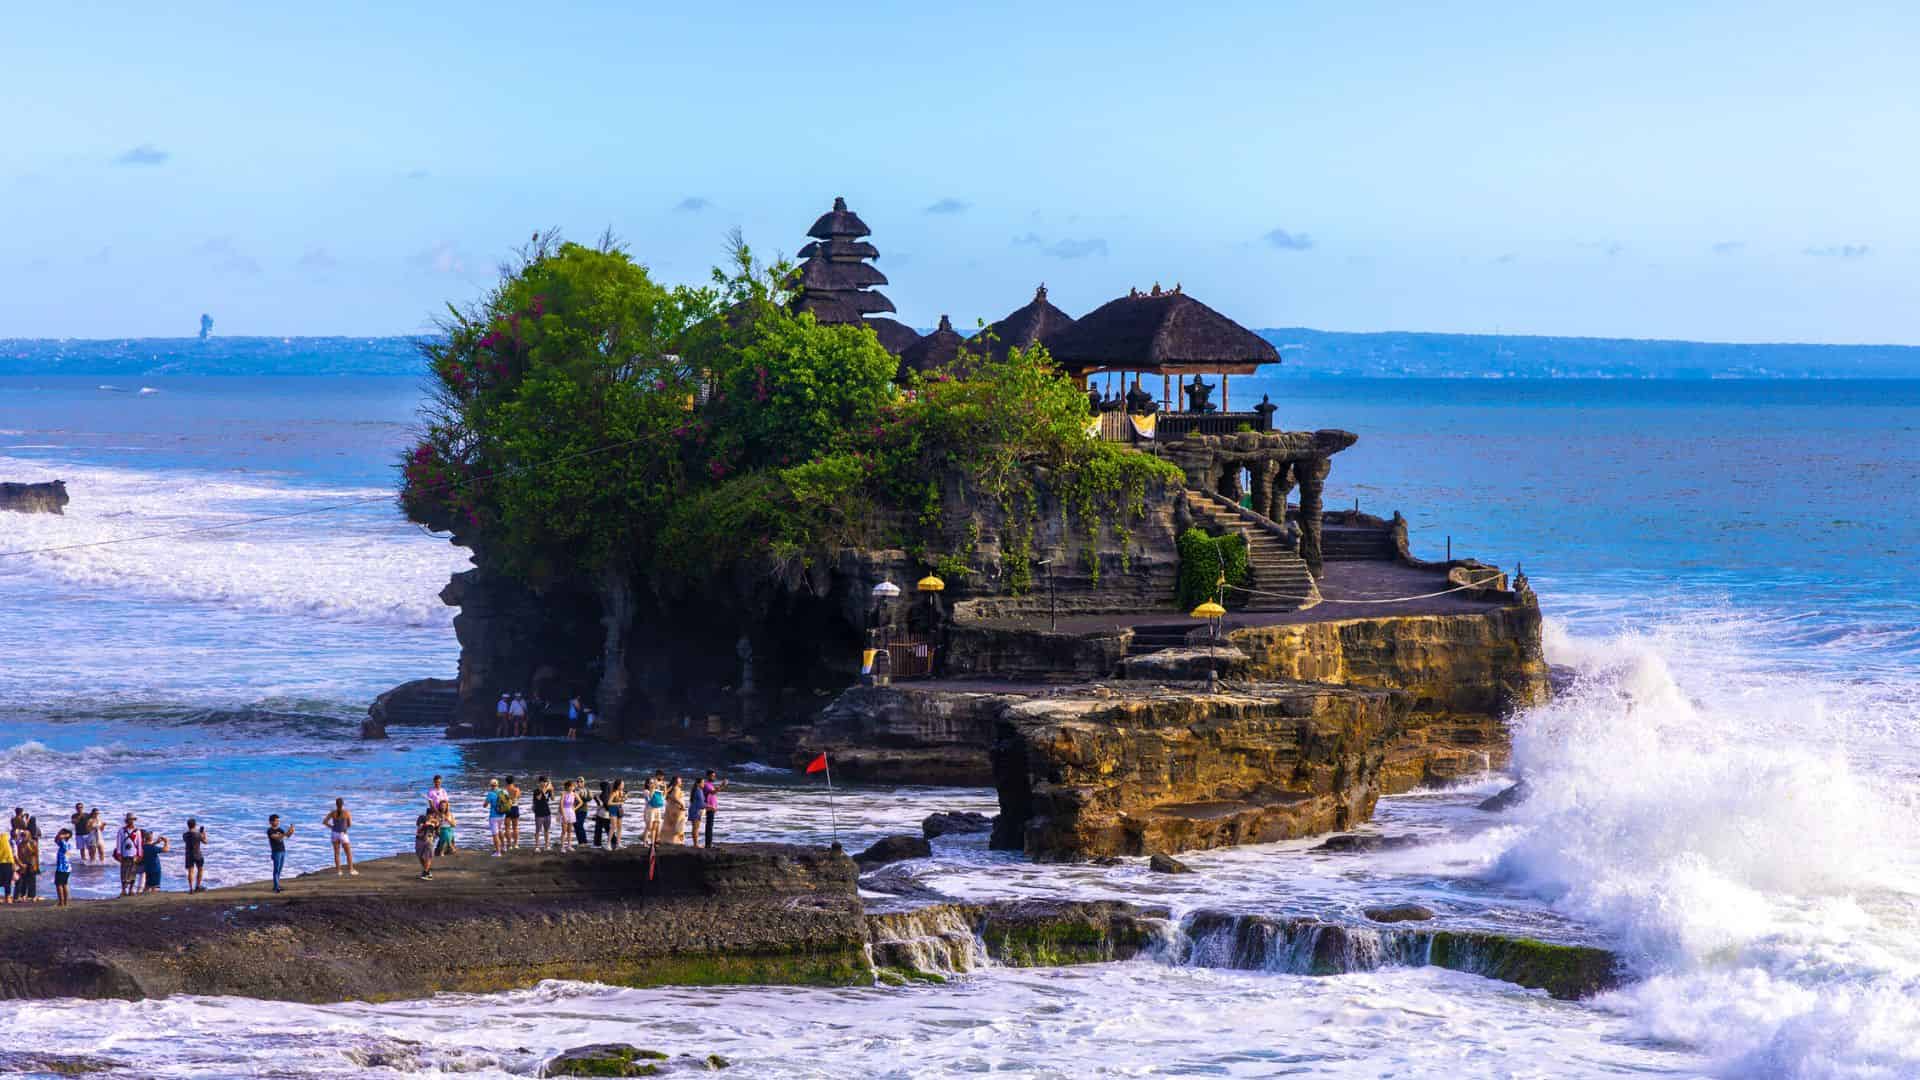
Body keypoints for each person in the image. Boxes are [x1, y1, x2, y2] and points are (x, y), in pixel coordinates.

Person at [323, 798, 357, 875]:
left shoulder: (333, 813)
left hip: (334, 834)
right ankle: (351, 870)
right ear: (343, 804)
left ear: (336, 804)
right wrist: (345, 828)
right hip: (343, 834)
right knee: (348, 853)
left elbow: (324, 822)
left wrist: (332, 827)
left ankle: (339, 871)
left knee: (337, 853)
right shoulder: (346, 813)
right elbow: (350, 824)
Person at [114, 814, 144, 897]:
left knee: (133, 872)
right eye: (129, 820)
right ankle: (123, 889)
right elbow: (119, 843)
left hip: (133, 854)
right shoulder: (121, 831)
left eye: (132, 820)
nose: (131, 821)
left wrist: (139, 855)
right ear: (127, 821)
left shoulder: (137, 831)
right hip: (124, 854)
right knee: (123, 872)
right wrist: (119, 854)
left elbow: (139, 844)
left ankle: (131, 889)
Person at [266, 815, 294, 892]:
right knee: (276, 870)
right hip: (276, 852)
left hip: (282, 850)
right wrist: (286, 833)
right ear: (271, 822)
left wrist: (291, 831)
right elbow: (276, 837)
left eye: (278, 821)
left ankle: (277, 885)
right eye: (276, 821)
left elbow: (287, 836)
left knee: (280, 869)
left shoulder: (280, 829)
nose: (278, 822)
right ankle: (276, 887)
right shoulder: (270, 830)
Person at [699, 770, 726, 848]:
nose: (714, 777)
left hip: (712, 807)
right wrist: (722, 785)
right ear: (708, 776)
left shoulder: (710, 784)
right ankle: (708, 844)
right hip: (709, 807)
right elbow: (713, 792)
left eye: (714, 776)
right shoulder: (707, 784)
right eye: (713, 776)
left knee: (710, 825)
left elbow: (714, 792)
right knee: (709, 826)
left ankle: (709, 843)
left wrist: (721, 786)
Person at [182, 818, 209, 892]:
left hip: (188, 854)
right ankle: (197, 886)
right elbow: (206, 842)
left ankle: (191, 888)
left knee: (190, 871)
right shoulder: (198, 834)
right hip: (197, 854)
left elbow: (186, 841)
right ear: (195, 825)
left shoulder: (184, 835)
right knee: (200, 869)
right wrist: (204, 834)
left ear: (188, 825)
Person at [140, 830, 167, 894]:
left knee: (147, 885)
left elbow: (149, 846)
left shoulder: (143, 847)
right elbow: (166, 849)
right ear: (151, 838)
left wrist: (156, 842)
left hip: (147, 869)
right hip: (155, 869)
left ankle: (143, 895)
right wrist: (166, 842)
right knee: (155, 887)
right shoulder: (153, 848)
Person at [662, 778, 688, 846]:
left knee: (670, 825)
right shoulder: (676, 788)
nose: (681, 782)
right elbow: (675, 797)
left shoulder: (670, 789)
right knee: (678, 825)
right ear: (676, 782)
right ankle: (675, 841)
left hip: (670, 808)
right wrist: (682, 805)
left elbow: (667, 797)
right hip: (677, 808)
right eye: (680, 781)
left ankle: (667, 840)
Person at [15, 831, 38, 902]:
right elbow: (19, 855)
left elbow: (35, 855)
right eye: (22, 835)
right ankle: (23, 895)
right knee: (23, 880)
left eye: (24, 835)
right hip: (23, 863)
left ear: (29, 836)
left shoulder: (32, 843)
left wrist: (33, 864)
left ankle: (32, 895)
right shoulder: (20, 844)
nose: (23, 837)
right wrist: (20, 865)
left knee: (32, 880)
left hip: (31, 863)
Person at [484, 778, 505, 857]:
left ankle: (498, 852)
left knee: (495, 834)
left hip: (493, 816)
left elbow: (485, 805)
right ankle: (504, 847)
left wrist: (488, 803)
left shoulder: (490, 794)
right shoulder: (503, 791)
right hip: (502, 815)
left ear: (491, 785)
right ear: (498, 784)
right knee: (500, 830)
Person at [414, 811, 438, 880]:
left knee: (428, 856)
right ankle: (427, 871)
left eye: (432, 815)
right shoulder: (421, 818)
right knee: (420, 856)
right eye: (430, 815)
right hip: (420, 839)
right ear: (427, 814)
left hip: (430, 840)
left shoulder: (436, 821)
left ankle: (425, 872)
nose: (431, 816)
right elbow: (419, 827)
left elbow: (437, 827)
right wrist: (428, 823)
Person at [53, 827, 73, 907]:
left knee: (59, 884)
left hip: (62, 867)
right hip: (67, 867)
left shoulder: (64, 843)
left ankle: (61, 902)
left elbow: (58, 838)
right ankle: (65, 902)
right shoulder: (68, 844)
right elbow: (56, 840)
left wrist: (64, 834)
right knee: (64, 884)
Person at [532, 777, 553, 850]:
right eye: (543, 782)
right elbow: (539, 798)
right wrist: (546, 788)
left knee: (546, 830)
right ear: (539, 783)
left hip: (547, 812)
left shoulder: (548, 790)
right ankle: (537, 846)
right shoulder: (536, 791)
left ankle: (547, 845)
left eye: (545, 782)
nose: (544, 783)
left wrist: (552, 790)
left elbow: (553, 799)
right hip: (539, 813)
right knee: (538, 830)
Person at [643, 778, 666, 845]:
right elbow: (650, 797)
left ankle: (652, 842)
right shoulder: (646, 791)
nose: (652, 784)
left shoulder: (657, 791)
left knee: (655, 827)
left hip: (657, 809)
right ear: (647, 784)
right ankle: (645, 842)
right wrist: (654, 786)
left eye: (653, 783)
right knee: (649, 827)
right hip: (650, 810)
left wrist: (664, 787)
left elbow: (663, 797)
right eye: (651, 783)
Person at [503, 776, 523, 850]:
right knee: (515, 827)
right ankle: (516, 844)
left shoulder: (504, 791)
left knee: (507, 828)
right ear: (513, 781)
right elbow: (517, 798)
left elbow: (503, 801)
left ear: (506, 782)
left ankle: (509, 844)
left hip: (507, 808)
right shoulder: (516, 789)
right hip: (514, 808)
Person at [558, 781, 578, 853]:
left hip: (571, 812)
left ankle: (569, 846)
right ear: (568, 787)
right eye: (572, 786)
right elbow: (561, 805)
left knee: (570, 830)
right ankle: (562, 847)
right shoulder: (563, 794)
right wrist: (563, 815)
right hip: (565, 812)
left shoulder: (574, 794)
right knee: (564, 831)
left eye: (573, 786)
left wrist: (574, 808)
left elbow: (580, 802)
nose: (573, 787)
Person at [607, 779, 626, 849]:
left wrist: (624, 798)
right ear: (618, 785)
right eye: (622, 785)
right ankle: (608, 844)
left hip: (619, 810)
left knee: (620, 827)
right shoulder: (614, 793)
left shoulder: (621, 792)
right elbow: (609, 803)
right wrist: (619, 802)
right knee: (613, 827)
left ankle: (619, 843)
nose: (623, 786)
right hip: (613, 810)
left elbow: (622, 801)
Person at [592, 782, 612, 848]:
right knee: (608, 829)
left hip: (601, 815)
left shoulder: (602, 795)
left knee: (598, 830)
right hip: (607, 815)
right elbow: (608, 806)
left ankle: (597, 844)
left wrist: (596, 799)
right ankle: (614, 842)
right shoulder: (610, 795)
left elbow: (600, 805)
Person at [573, 777, 591, 848]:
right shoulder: (574, 790)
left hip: (583, 810)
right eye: (578, 781)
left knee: (579, 825)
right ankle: (580, 842)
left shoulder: (586, 790)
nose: (579, 783)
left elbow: (589, 798)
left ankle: (584, 842)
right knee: (576, 826)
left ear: (584, 782)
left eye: (581, 781)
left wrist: (583, 795)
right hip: (574, 810)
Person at [0, 826, 14, 904]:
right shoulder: (6, 837)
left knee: (7, 880)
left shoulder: (6, 837)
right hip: (7, 861)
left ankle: (8, 897)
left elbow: (10, 851)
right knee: (7, 880)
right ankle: (7, 897)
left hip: (7, 861)